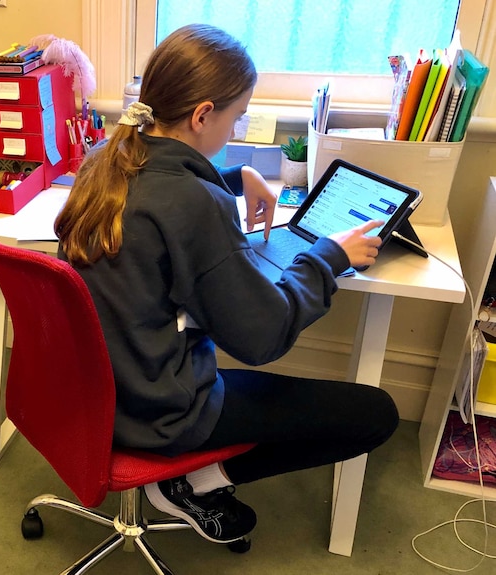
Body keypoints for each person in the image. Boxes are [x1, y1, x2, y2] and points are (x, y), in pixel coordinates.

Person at [54, 23, 399, 545]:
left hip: (103, 391)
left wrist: (235, 177)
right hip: (163, 413)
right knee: (375, 414)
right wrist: (328, 256)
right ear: (202, 115)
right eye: (237, 116)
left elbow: (165, 186)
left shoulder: (106, 159)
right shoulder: (194, 205)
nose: (236, 131)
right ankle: (193, 483)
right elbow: (261, 338)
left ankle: (188, 481)